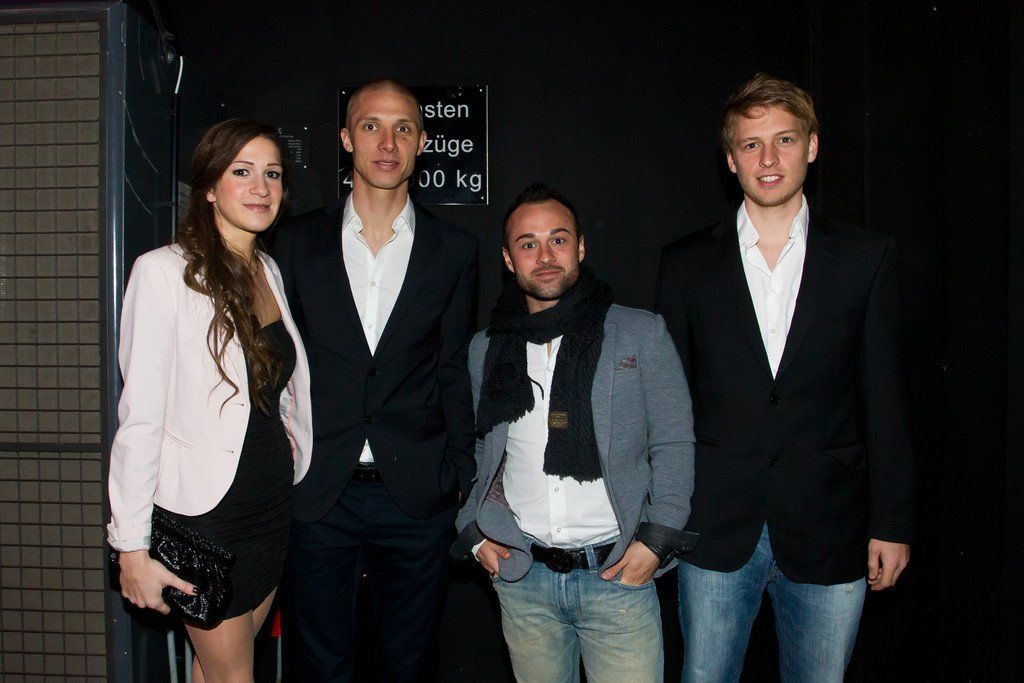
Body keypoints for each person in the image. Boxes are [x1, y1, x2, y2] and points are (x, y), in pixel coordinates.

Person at [655, 73, 914, 682]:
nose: (768, 159)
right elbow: (667, 407)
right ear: (731, 159)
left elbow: (886, 401)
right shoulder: (686, 264)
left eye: (785, 140)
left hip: (832, 527)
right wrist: (660, 519)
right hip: (713, 529)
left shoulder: (866, 259)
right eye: (751, 144)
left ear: (812, 146)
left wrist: (893, 522)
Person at [271, 78, 478, 681]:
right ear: (346, 139)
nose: (387, 143)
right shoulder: (293, 242)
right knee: (319, 666)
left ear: (422, 143)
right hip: (318, 492)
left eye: (402, 129)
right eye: (371, 126)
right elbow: (274, 368)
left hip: (415, 494)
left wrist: (459, 476)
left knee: (408, 666)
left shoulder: (454, 249)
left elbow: (453, 368)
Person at [452, 182, 697, 682]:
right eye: (528, 244)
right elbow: (478, 449)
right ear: (508, 259)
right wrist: (472, 530)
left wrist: (656, 542)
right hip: (523, 580)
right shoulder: (486, 348)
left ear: (581, 247)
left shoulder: (640, 333)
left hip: (619, 577)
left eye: (558, 239)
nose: (545, 256)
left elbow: (673, 442)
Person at [106, 119, 313, 681]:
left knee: (215, 668)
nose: (261, 187)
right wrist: (131, 546)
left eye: (272, 174)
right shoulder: (162, 273)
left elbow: (276, 393)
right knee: (232, 675)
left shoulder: (266, 268)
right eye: (242, 172)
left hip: (270, 500)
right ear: (210, 187)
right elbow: (139, 418)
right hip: (207, 514)